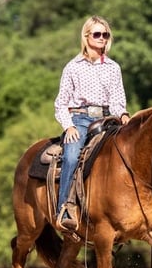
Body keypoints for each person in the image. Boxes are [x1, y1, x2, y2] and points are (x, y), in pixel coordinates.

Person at [54, 15, 130, 231]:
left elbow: (117, 100)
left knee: (127, 151)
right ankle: (65, 208)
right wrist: (68, 126)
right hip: (80, 118)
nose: (102, 38)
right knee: (71, 155)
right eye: (97, 34)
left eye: (105, 35)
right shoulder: (73, 67)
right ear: (86, 37)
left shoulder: (113, 68)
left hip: (107, 119)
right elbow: (61, 103)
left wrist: (123, 115)